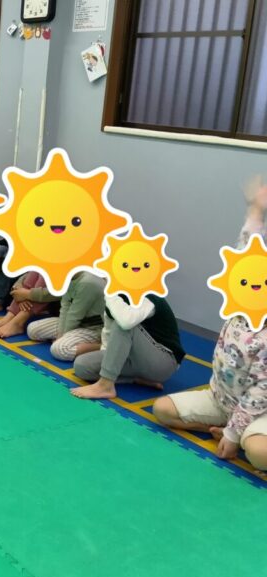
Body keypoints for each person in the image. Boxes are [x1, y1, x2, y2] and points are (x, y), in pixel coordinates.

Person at [153, 184, 267, 469]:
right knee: (162, 409)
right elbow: (246, 249)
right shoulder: (239, 305)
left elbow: (260, 392)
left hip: (259, 412)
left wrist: (233, 435)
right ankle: (229, 431)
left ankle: (241, 437)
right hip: (221, 401)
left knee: (259, 453)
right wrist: (256, 209)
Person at [71, 294, 185, 399]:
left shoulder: (149, 297)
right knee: (81, 366)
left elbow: (126, 323)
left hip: (162, 362)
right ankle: (136, 379)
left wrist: (111, 297)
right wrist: (108, 363)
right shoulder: (115, 299)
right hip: (133, 358)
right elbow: (108, 335)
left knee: (122, 324)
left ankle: (105, 385)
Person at [26, 271, 106, 361]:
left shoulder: (88, 282)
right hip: (77, 323)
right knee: (32, 330)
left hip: (93, 328)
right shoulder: (70, 278)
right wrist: (60, 335)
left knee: (59, 350)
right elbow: (65, 307)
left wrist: (60, 338)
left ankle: (102, 346)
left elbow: (75, 315)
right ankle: (71, 340)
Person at [0, 271, 58, 338]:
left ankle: (18, 322)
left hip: (52, 299)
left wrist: (27, 294)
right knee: (37, 269)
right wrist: (18, 289)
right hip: (30, 293)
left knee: (47, 272)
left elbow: (56, 292)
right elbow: (27, 273)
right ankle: (9, 316)